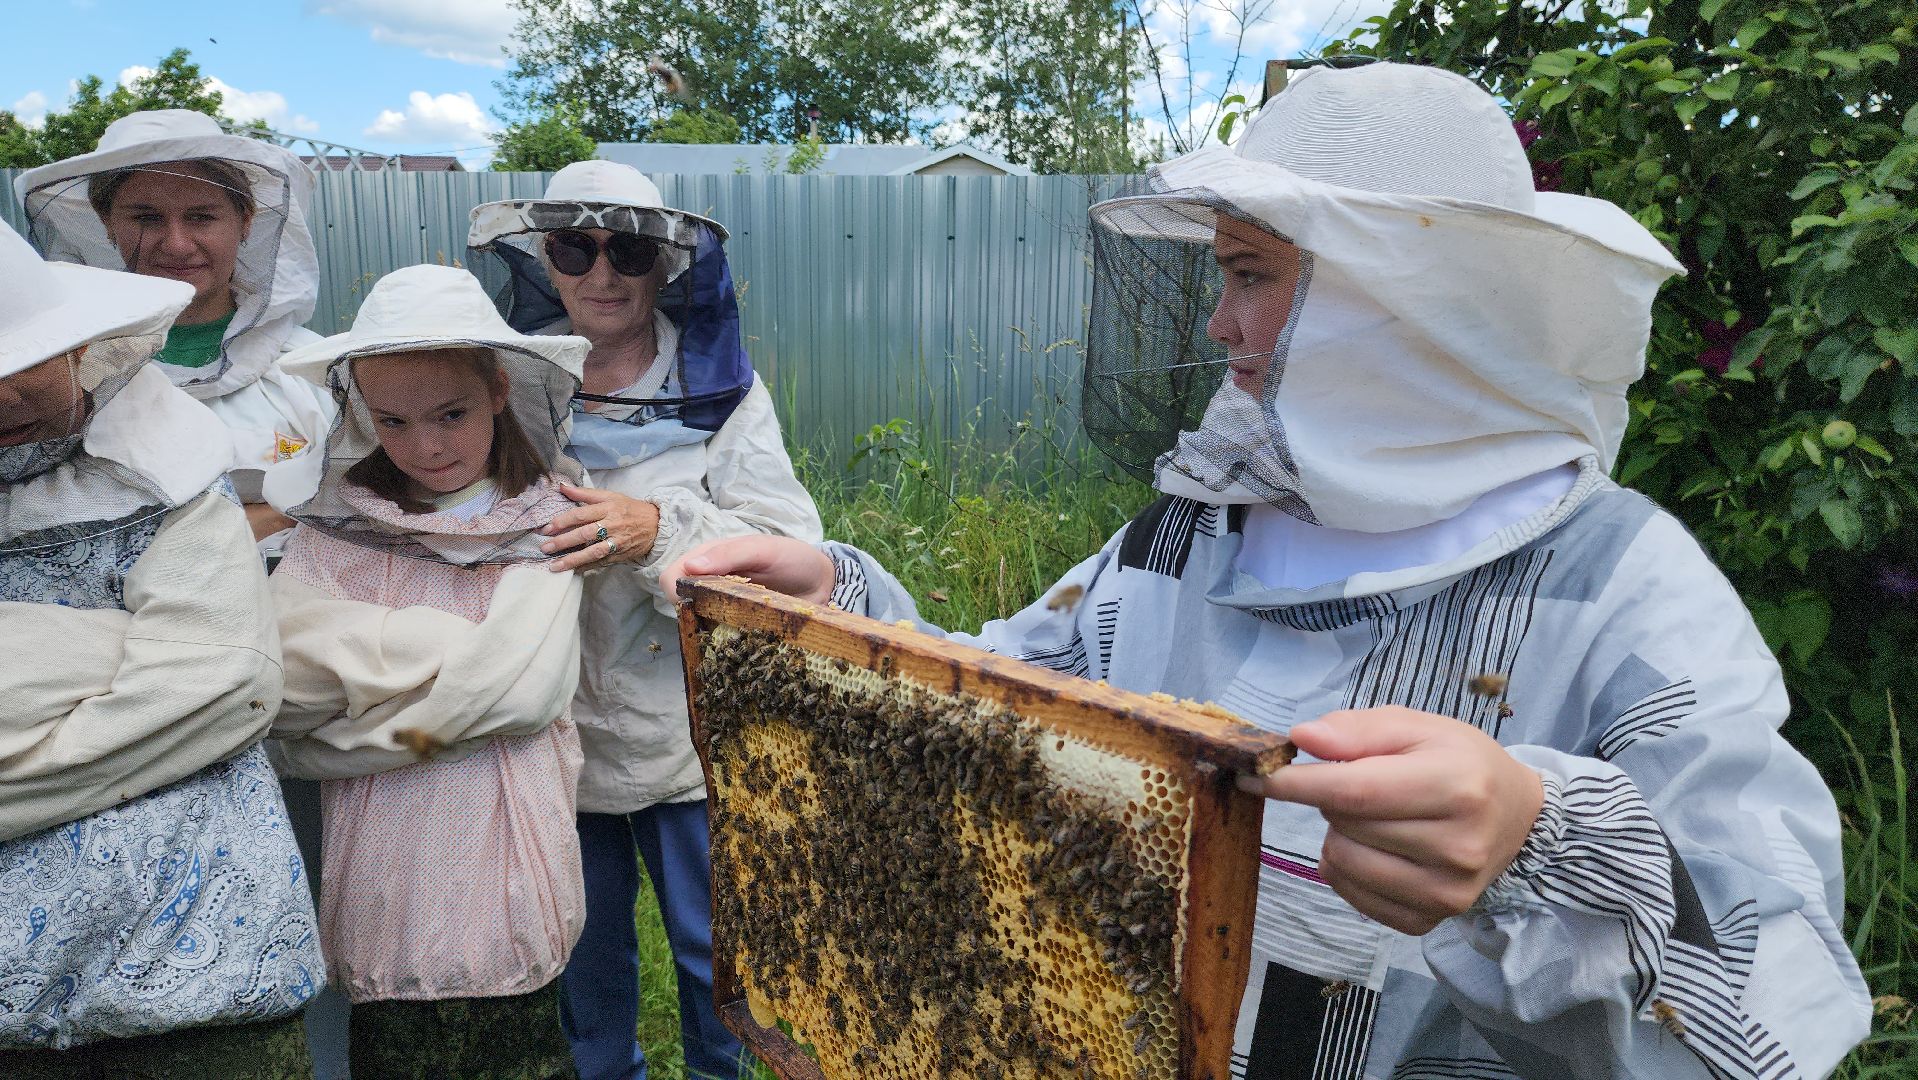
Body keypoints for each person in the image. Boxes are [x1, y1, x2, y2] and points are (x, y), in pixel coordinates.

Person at [666, 64, 1871, 1077]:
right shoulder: (1188, 531)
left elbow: (1786, 983)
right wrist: (849, 606)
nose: (1217, 325)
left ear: (1405, 300)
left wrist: (1543, 839)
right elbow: (1012, 701)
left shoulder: (1622, 581)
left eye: (1251, 275)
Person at [469, 160, 822, 1080]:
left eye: (627, 247)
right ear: (544, 259)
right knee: (582, 955)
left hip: (686, 728)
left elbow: (792, 546)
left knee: (717, 956)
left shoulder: (724, 388)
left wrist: (664, 530)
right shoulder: (502, 379)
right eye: (574, 248)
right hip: (551, 724)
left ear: (666, 262)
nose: (601, 272)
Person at [16, 109, 349, 1076]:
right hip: (117, 718)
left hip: (298, 703)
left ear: (248, 224)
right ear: (101, 224)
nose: (173, 242)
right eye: (145, 215)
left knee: (304, 901)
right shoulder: (55, 371)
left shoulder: (310, 374)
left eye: (202, 215)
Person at [258, 264, 592, 1080]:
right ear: (363, 414)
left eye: (452, 413)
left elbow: (524, 689)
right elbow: (283, 688)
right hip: (386, 872)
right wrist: (458, 664)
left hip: (511, 860)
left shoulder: (557, 519)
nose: (428, 446)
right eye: (395, 421)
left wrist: (366, 659)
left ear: (500, 389)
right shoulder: (335, 529)